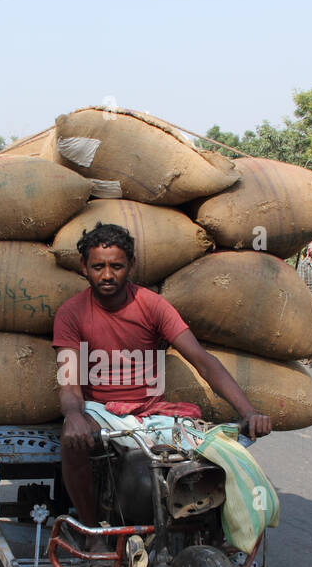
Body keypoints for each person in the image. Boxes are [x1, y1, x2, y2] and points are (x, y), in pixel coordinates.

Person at [52, 221, 272, 531]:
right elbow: (69, 382)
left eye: (116, 266)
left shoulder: (153, 306)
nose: (107, 275)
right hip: (101, 412)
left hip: (152, 413)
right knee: (70, 442)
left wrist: (248, 411)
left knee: (216, 456)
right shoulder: (71, 313)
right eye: (98, 266)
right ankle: (93, 532)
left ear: (132, 265)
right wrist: (73, 416)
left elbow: (203, 362)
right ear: (83, 266)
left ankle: (217, 533)